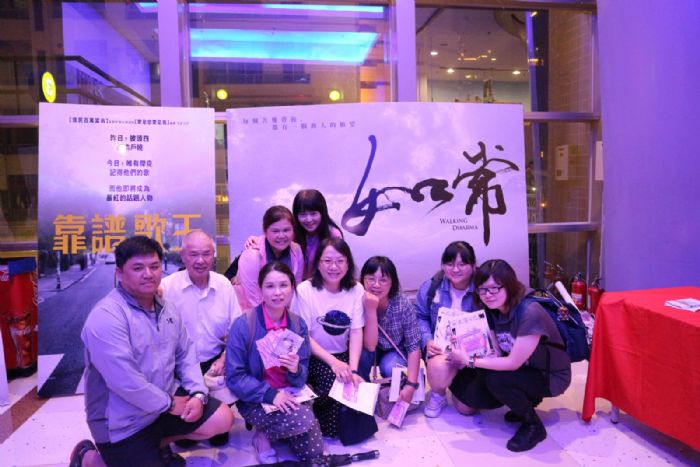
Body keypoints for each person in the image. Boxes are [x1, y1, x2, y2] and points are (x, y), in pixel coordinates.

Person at [69, 236, 233, 467]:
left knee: (222, 419)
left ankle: (155, 448)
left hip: (162, 407)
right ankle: (90, 458)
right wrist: (170, 404)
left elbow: (186, 354)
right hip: (123, 423)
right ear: (119, 273)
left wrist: (198, 394)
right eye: (138, 268)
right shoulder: (106, 317)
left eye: (154, 266)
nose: (148, 274)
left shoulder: (167, 308)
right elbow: (125, 382)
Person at [446, 259, 572, 452]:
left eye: (494, 289)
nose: (488, 295)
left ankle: (533, 426)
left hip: (550, 376)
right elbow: (496, 352)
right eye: (482, 289)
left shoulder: (530, 312)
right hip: (525, 368)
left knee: (496, 380)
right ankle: (526, 401)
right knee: (473, 391)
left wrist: (469, 360)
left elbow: (512, 363)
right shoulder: (493, 309)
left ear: (509, 285)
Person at [226, 262, 323, 464]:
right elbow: (235, 377)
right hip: (256, 399)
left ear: (292, 287)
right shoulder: (244, 325)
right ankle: (262, 435)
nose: (278, 293)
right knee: (303, 419)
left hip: (291, 393)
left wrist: (295, 370)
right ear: (260, 289)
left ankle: (281, 428)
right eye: (270, 286)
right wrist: (272, 395)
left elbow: (302, 378)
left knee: (313, 454)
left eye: (283, 285)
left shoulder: (297, 324)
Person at [160, 230, 242, 446]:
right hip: (180, 366)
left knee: (219, 435)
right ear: (183, 256)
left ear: (213, 255)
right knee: (186, 439)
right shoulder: (167, 287)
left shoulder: (223, 285)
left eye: (206, 254)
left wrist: (224, 358)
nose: (200, 261)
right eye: (194, 254)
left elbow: (237, 329)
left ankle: (215, 412)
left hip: (215, 363)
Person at [291, 237, 364, 438]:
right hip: (314, 354)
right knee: (332, 385)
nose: (334, 267)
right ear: (318, 264)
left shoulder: (356, 289)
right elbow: (304, 335)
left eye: (340, 261)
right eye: (328, 261)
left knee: (353, 386)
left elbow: (356, 332)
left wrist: (353, 369)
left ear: (348, 264)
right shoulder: (305, 290)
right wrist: (333, 363)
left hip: (343, 354)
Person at [414, 240, 478, 418]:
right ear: (443, 265)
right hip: (442, 350)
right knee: (437, 367)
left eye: (462, 264)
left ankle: (456, 382)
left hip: (472, 353)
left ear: (473, 265)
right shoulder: (431, 287)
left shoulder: (483, 288)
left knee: (467, 409)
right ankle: (438, 394)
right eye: (450, 264)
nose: (455, 269)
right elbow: (420, 316)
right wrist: (427, 340)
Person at [359, 256, 421, 405]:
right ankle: (362, 395)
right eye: (371, 279)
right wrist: (370, 310)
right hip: (368, 347)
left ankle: (393, 396)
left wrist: (411, 384)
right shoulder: (356, 301)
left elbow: (413, 346)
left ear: (392, 282)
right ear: (362, 280)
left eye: (383, 280)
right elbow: (369, 346)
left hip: (394, 349)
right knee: (361, 357)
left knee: (391, 367)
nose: (376, 285)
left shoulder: (402, 304)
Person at [244, 189, 343, 280]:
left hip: (322, 283)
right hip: (294, 283)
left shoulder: (333, 234)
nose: (309, 219)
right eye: (303, 215)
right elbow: (272, 238)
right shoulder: (291, 232)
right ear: (296, 215)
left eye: (313, 214)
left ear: (322, 213)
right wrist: (256, 240)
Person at [234, 206, 304, 311]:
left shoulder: (296, 250)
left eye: (286, 230)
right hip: (251, 313)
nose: (281, 236)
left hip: (283, 313)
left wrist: (288, 317)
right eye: (275, 231)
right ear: (265, 232)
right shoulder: (252, 255)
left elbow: (296, 290)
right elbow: (253, 300)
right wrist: (275, 319)